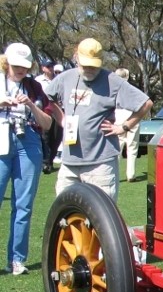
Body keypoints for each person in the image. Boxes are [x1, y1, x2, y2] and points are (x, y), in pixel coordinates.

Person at [46, 37, 152, 201]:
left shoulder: (113, 81)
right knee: (64, 216)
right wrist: (61, 119)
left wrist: (123, 127)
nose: (89, 69)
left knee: (101, 220)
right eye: (85, 64)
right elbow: (48, 98)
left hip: (100, 164)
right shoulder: (65, 78)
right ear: (76, 58)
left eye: (93, 65)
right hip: (69, 163)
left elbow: (146, 103)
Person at [1, 43, 55, 275]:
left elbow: (48, 123)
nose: (20, 70)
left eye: (24, 66)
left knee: (23, 206)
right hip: (2, 138)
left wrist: (31, 105)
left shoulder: (34, 87)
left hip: (29, 141)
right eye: (16, 66)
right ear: (6, 62)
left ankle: (17, 260)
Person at [114, 68, 142, 182]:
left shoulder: (113, 89)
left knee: (117, 147)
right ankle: (131, 174)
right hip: (131, 116)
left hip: (118, 116)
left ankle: (114, 173)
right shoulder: (132, 89)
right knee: (132, 147)